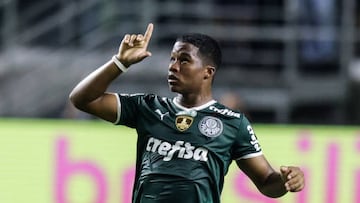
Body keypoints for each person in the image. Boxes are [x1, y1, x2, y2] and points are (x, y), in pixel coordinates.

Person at [69, 23, 305, 203]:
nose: (173, 66)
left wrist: (285, 181)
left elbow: (266, 182)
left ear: (207, 72)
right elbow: (82, 99)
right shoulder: (149, 108)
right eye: (172, 59)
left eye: (184, 60)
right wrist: (119, 62)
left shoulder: (232, 123)